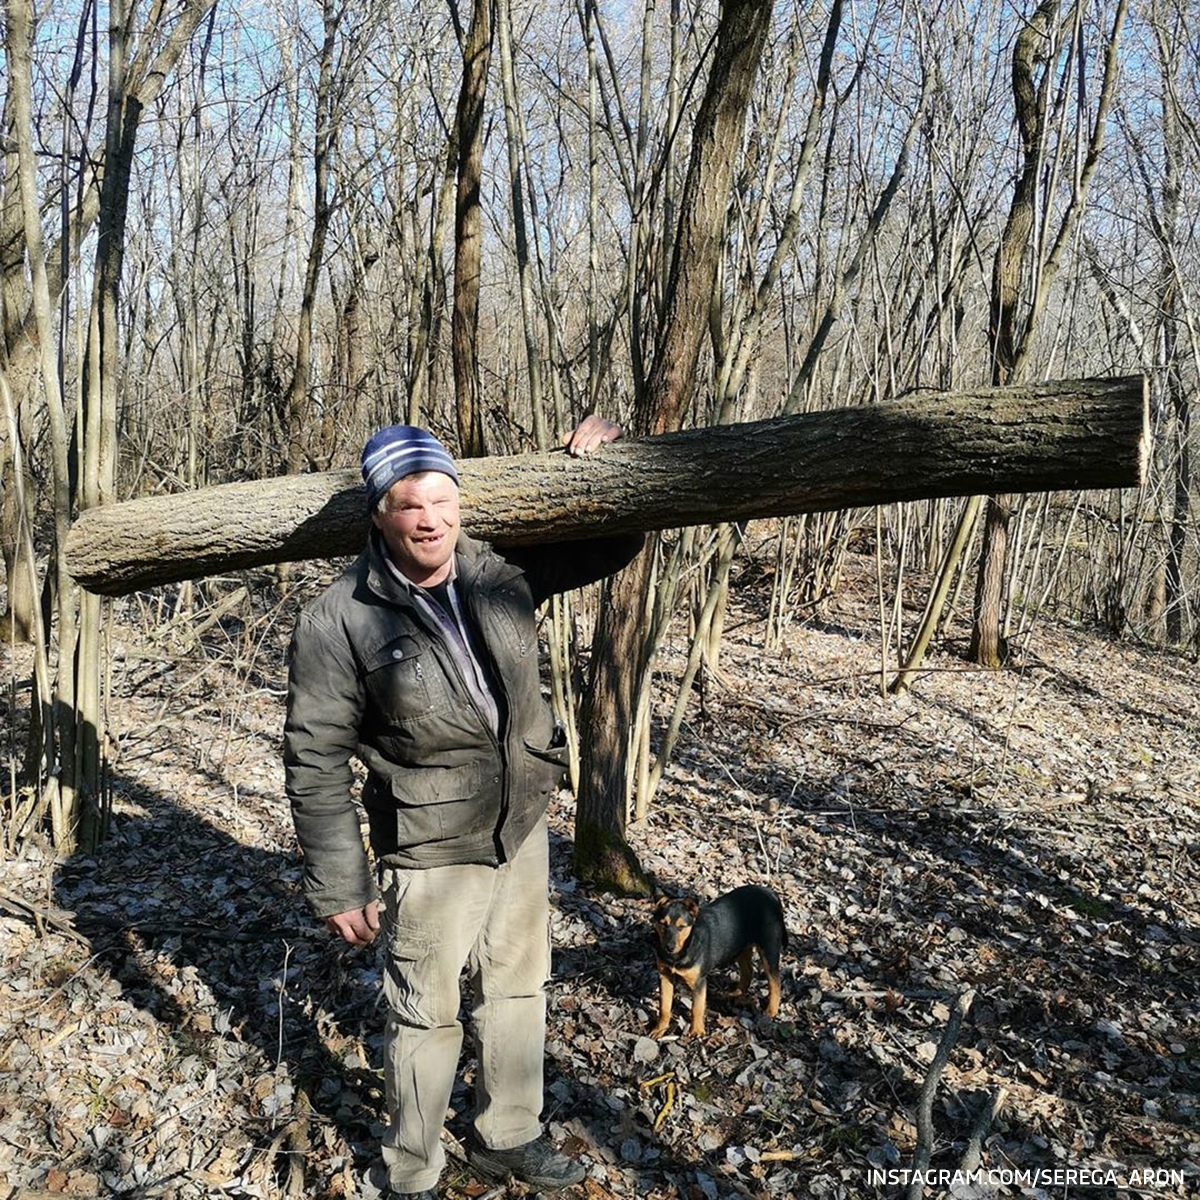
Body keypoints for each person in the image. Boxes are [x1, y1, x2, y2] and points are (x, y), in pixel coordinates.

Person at [283, 417, 641, 1200]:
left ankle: (506, 1137)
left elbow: (612, 544)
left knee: (518, 991)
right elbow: (313, 758)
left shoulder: (496, 572)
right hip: (429, 846)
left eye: (443, 499)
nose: (431, 518)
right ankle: (412, 1171)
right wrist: (342, 884)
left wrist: (601, 472)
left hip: (518, 826)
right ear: (379, 511)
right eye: (410, 503)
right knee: (425, 1015)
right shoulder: (338, 618)